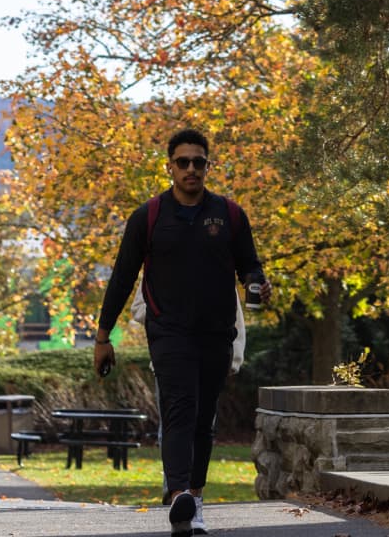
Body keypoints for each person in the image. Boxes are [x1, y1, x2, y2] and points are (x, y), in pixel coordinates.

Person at [94, 129, 270, 537]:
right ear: (169, 167)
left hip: (216, 333)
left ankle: (195, 497)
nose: (192, 169)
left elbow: (250, 266)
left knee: (203, 420)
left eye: (199, 162)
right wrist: (103, 338)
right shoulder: (149, 216)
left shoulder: (229, 215)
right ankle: (178, 498)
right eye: (183, 162)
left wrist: (258, 283)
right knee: (179, 409)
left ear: (209, 166)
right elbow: (121, 278)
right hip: (168, 331)